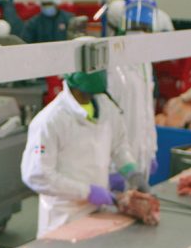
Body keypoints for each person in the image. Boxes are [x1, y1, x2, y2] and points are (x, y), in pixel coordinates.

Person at [21, 69, 146, 237]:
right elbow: (37, 175)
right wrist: (86, 192)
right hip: (64, 217)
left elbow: (119, 146)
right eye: (85, 93)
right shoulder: (49, 121)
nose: (90, 97)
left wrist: (131, 171)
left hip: (99, 213)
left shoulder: (106, 107)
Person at [106, 0, 160, 192]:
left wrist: (151, 151)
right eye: (136, 28)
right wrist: (112, 167)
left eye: (145, 28)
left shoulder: (145, 62)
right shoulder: (113, 64)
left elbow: (147, 111)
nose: (141, 33)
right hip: (119, 161)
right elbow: (107, 118)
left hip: (141, 153)